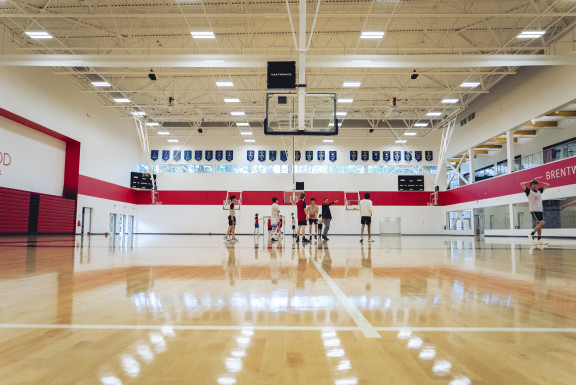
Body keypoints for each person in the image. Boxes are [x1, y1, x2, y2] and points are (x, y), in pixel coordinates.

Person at [520, 179, 550, 245]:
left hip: (540, 210)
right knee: (542, 223)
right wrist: (529, 181)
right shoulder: (529, 191)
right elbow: (521, 184)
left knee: (539, 225)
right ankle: (531, 234)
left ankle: (539, 240)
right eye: (533, 184)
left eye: (536, 184)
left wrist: (540, 182)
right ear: (531, 185)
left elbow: (547, 185)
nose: (535, 185)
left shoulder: (539, 191)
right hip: (534, 210)